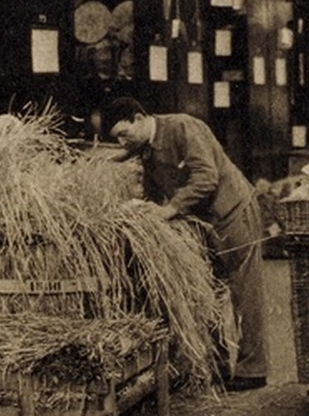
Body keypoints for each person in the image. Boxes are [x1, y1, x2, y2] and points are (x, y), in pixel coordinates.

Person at [102, 97, 269, 392]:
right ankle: (216, 367)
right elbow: (155, 193)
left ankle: (253, 369)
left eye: (124, 134)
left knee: (245, 290)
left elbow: (206, 177)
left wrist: (170, 209)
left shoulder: (182, 127)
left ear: (139, 118)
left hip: (232, 212)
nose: (122, 142)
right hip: (203, 222)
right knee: (207, 291)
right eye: (117, 139)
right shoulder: (145, 149)